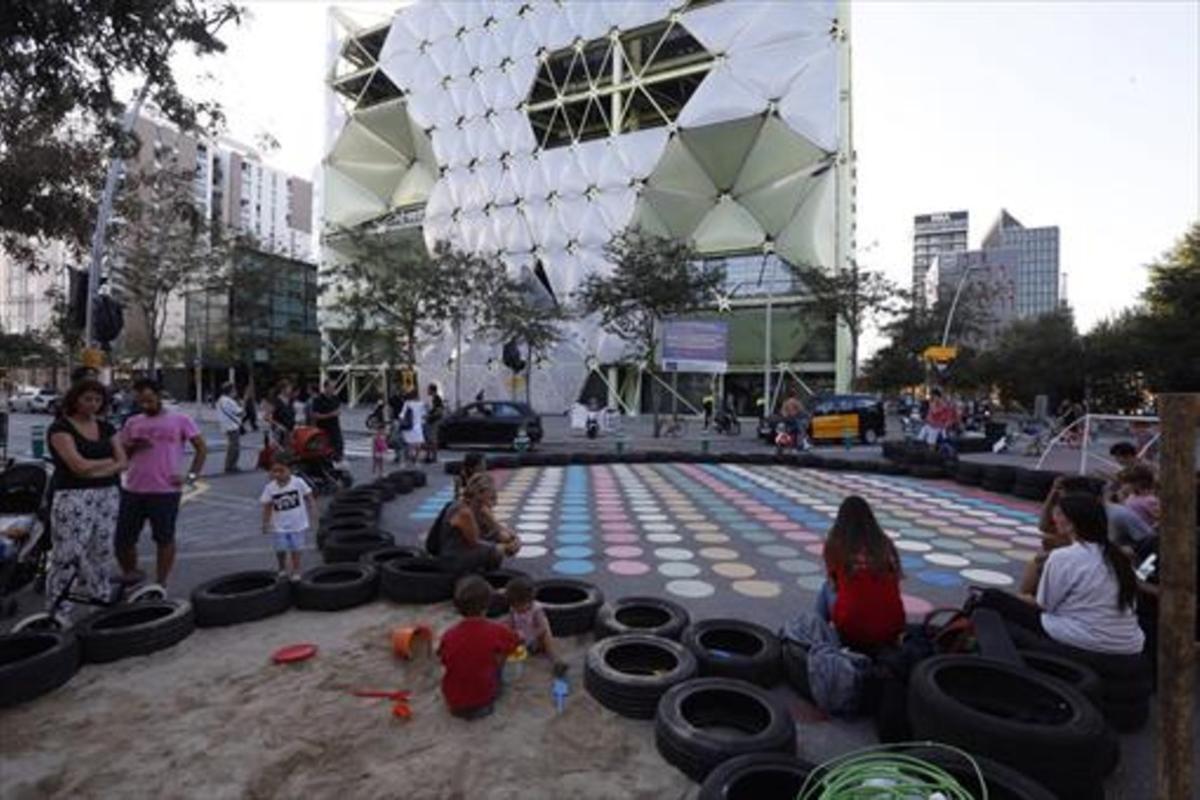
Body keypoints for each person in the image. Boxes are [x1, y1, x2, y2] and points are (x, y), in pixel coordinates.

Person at [976, 492, 1144, 656]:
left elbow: (1045, 606)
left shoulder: (1065, 557)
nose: (1054, 520)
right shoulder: (1117, 557)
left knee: (991, 597)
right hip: (1129, 643)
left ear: (1071, 523)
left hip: (1087, 639)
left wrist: (1018, 598)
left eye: (1057, 515)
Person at [45, 379, 128, 620]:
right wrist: (107, 464)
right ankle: (58, 612)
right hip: (73, 495)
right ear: (75, 399)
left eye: (98, 400)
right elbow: (77, 467)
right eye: (87, 399)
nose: (93, 404)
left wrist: (98, 468)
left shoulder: (106, 428)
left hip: (108, 495)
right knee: (67, 555)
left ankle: (99, 601)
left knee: (101, 552)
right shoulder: (61, 428)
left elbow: (123, 462)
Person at [116, 379, 206, 587]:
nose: (145, 405)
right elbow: (122, 455)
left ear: (159, 396)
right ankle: (131, 575)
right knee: (123, 540)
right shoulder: (132, 423)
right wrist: (132, 446)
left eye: (149, 400)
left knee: (164, 538)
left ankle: (161, 582)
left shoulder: (180, 420)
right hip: (133, 488)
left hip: (165, 490)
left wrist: (191, 476)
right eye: (141, 402)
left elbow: (201, 448)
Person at [816, 495, 905, 652]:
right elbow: (895, 580)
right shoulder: (884, 543)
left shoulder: (836, 544)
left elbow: (834, 582)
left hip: (852, 631)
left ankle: (818, 636)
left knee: (826, 588)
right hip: (893, 627)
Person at [438, 575, 520, 719]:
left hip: (452, 701)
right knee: (502, 653)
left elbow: (442, 658)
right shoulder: (497, 630)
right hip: (483, 701)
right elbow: (515, 643)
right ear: (487, 605)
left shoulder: (448, 635)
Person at [438, 472, 519, 576]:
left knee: (497, 541)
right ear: (480, 493)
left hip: (468, 548)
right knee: (495, 552)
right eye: (491, 494)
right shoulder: (463, 511)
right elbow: (475, 542)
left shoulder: (477, 507)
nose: (494, 499)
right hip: (454, 558)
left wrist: (513, 538)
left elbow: (497, 532)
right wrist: (503, 548)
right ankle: (481, 578)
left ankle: (484, 574)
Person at [260, 457, 317, 581]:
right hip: (278, 525)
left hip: (297, 523)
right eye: (274, 471)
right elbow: (267, 506)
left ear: (290, 470)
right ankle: (282, 568)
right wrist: (265, 523)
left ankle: (296, 569)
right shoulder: (270, 488)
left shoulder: (298, 482)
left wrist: (312, 511)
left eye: (281, 471)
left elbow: (309, 496)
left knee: (296, 548)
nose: (277, 474)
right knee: (280, 548)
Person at [504, 575, 567, 676]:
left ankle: (556, 660)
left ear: (529, 601)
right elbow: (510, 624)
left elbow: (542, 627)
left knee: (546, 636)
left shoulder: (536, 610)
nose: (517, 609)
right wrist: (512, 635)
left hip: (536, 638)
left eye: (519, 605)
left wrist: (532, 637)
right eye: (514, 606)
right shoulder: (513, 610)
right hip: (521, 639)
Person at [310, 380, 344, 462]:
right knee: (323, 448)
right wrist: (330, 415)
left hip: (335, 427)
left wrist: (337, 413)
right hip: (323, 427)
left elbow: (338, 410)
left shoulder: (335, 398)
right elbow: (315, 415)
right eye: (331, 387)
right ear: (326, 388)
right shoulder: (318, 399)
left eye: (334, 388)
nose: (333, 390)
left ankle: (337, 461)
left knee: (338, 446)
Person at [1116, 464, 1160, 529]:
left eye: (1126, 483)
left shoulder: (1150, 500)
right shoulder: (1132, 496)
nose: (1123, 487)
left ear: (1137, 484)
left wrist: (1150, 529)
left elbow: (1159, 517)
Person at [216, 383, 243, 474]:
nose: (235, 392)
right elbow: (239, 412)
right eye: (234, 390)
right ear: (230, 391)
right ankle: (231, 466)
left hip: (226, 425)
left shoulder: (220, 400)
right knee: (234, 447)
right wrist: (242, 405)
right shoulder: (229, 401)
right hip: (232, 426)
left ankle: (230, 465)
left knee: (232, 445)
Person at [398, 390, 426, 465]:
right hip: (418, 426)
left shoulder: (407, 404)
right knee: (418, 444)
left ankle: (409, 459)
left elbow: (402, 415)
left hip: (409, 426)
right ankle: (416, 460)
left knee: (409, 444)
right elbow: (424, 415)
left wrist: (400, 423)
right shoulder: (421, 404)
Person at [266, 381, 295, 447]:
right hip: (279, 432)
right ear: (283, 389)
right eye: (289, 388)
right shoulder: (275, 401)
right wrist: (278, 425)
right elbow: (267, 417)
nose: (290, 390)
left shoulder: (291, 400)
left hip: (289, 430)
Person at [424, 383, 445, 464]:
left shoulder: (437, 398)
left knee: (432, 439)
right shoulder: (434, 398)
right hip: (432, 420)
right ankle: (429, 456)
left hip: (434, 421)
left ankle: (433, 457)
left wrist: (430, 416)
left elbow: (439, 411)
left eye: (428, 389)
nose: (427, 391)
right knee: (430, 439)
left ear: (432, 390)